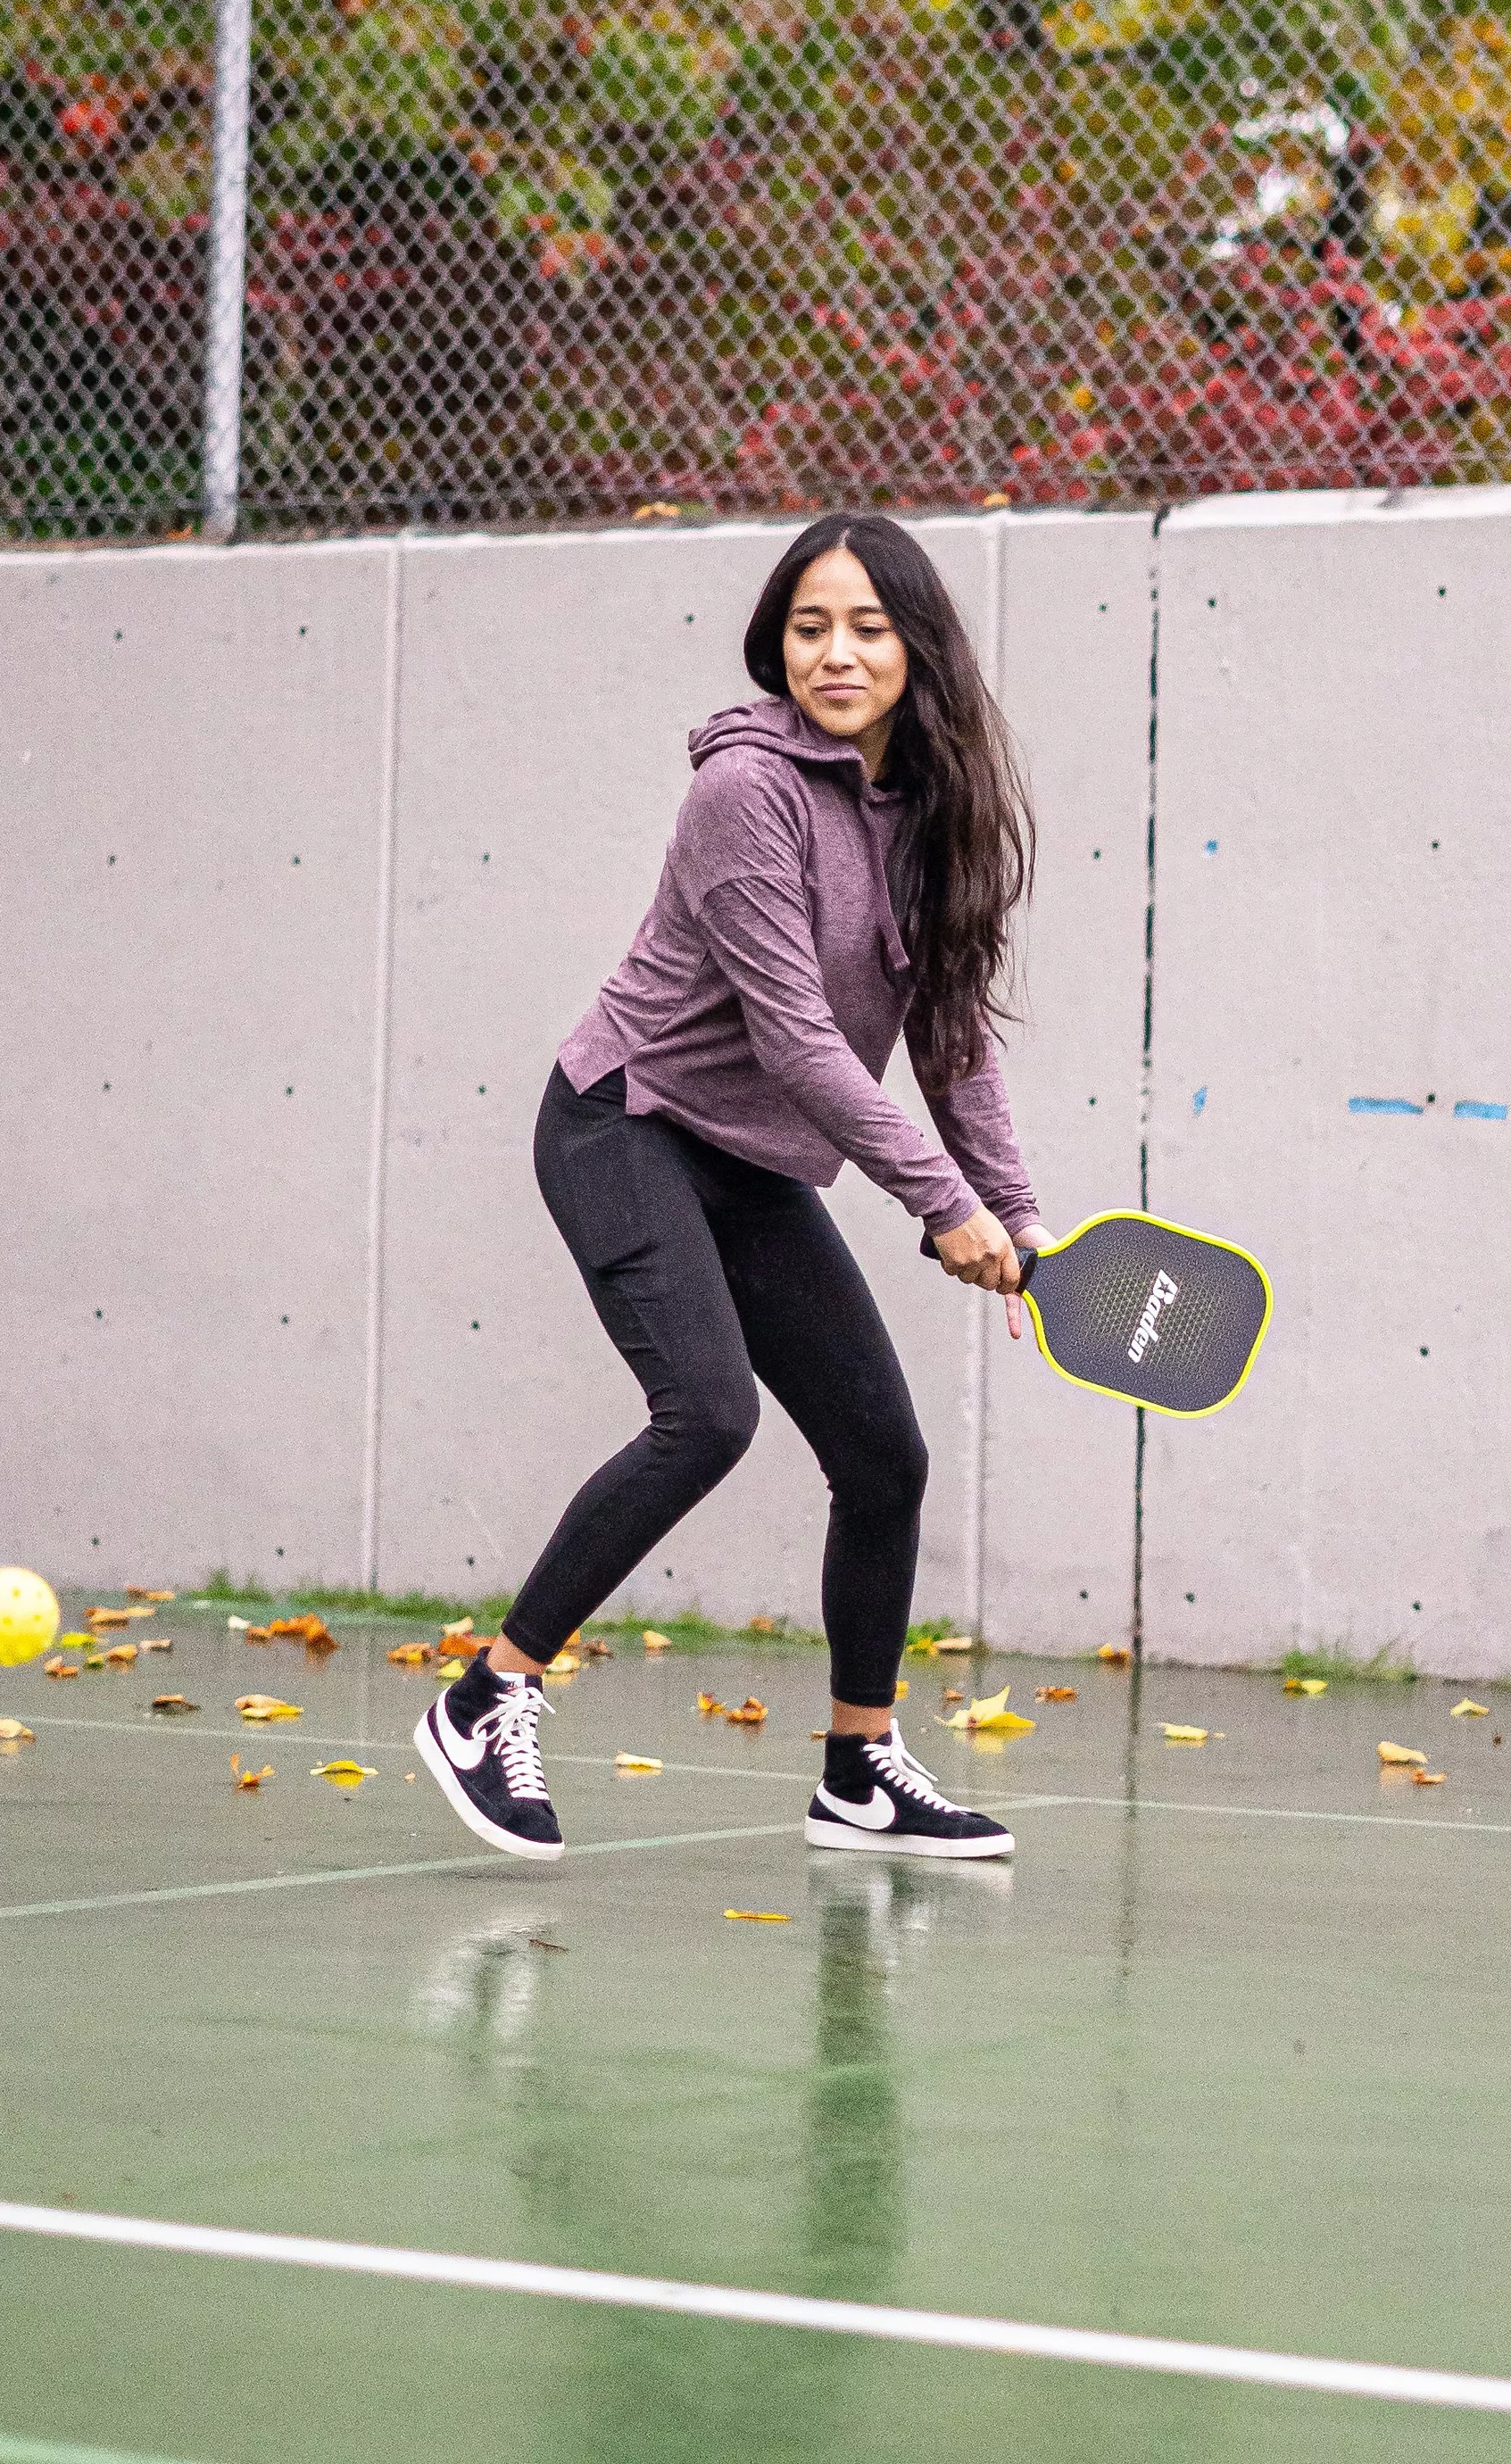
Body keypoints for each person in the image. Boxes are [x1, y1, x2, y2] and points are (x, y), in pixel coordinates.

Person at [414, 513, 1055, 1863]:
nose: (835, 652)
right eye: (809, 626)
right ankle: (488, 1697)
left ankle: (859, 1769)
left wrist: (1016, 1205)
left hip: (753, 1160)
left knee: (882, 1458)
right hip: (623, 1125)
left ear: (916, 648)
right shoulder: (742, 792)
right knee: (703, 1414)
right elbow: (796, 1039)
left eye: (867, 628)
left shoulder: (933, 813)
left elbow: (950, 1036)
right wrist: (940, 1206)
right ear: (776, 641)